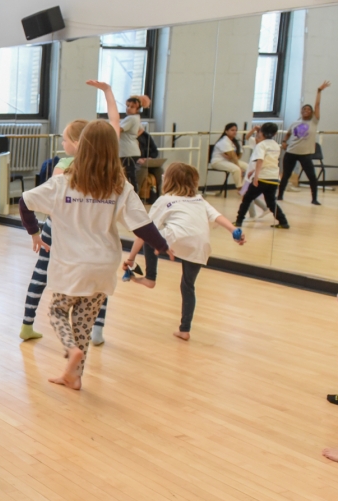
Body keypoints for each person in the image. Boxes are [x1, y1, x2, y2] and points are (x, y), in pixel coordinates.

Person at [19, 120, 170, 390]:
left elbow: (25, 201)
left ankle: (69, 350)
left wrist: (34, 233)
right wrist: (162, 245)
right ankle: (75, 377)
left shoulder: (62, 184)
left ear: (83, 147)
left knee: (57, 311)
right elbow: (142, 224)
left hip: (71, 263)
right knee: (84, 322)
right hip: (103, 264)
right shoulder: (119, 186)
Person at [20, 80, 121, 346]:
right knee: (99, 282)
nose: (62, 143)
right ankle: (96, 329)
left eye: (65, 139)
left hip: (59, 228)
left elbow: (51, 199)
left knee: (41, 273)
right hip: (93, 227)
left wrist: (34, 231)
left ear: (76, 142)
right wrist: (108, 92)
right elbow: (114, 125)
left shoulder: (63, 166)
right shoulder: (103, 162)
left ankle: (27, 324)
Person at [124, 163, 245, 341]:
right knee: (187, 286)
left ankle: (150, 277)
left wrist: (131, 258)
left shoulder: (165, 200)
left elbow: (144, 230)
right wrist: (234, 231)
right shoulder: (199, 199)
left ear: (169, 180)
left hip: (175, 239)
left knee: (152, 238)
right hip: (200, 245)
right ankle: (184, 330)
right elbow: (217, 217)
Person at [279, 81, 330, 204]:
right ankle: (280, 195)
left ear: (312, 113)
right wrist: (284, 142)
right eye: (304, 109)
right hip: (291, 152)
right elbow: (288, 134)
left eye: (308, 109)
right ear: (301, 112)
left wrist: (319, 91)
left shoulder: (313, 122)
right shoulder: (294, 123)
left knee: (312, 176)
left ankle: (314, 199)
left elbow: (317, 105)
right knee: (286, 175)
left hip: (305, 154)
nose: (306, 110)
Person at [234, 123, 289, 229]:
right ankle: (283, 222)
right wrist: (254, 171)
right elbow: (269, 162)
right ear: (275, 133)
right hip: (273, 177)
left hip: (263, 177)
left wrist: (256, 177)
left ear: (261, 132)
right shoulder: (275, 145)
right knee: (271, 202)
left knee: (247, 199)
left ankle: (239, 221)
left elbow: (260, 160)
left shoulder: (261, 145)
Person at [210, 124, 267, 219]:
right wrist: (236, 164)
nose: (234, 132)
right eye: (232, 130)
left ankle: (247, 187)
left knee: (247, 167)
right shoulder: (224, 141)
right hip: (218, 161)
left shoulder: (235, 141)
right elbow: (233, 155)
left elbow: (237, 155)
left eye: (235, 130)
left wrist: (234, 158)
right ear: (226, 131)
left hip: (230, 161)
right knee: (236, 169)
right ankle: (240, 187)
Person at [119, 95, 149, 191]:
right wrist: (133, 136)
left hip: (127, 152)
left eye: (132, 107)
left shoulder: (130, 119)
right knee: (130, 175)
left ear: (138, 109)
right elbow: (141, 129)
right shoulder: (136, 118)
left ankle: (132, 196)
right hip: (130, 151)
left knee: (128, 176)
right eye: (127, 106)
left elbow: (118, 129)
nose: (128, 108)